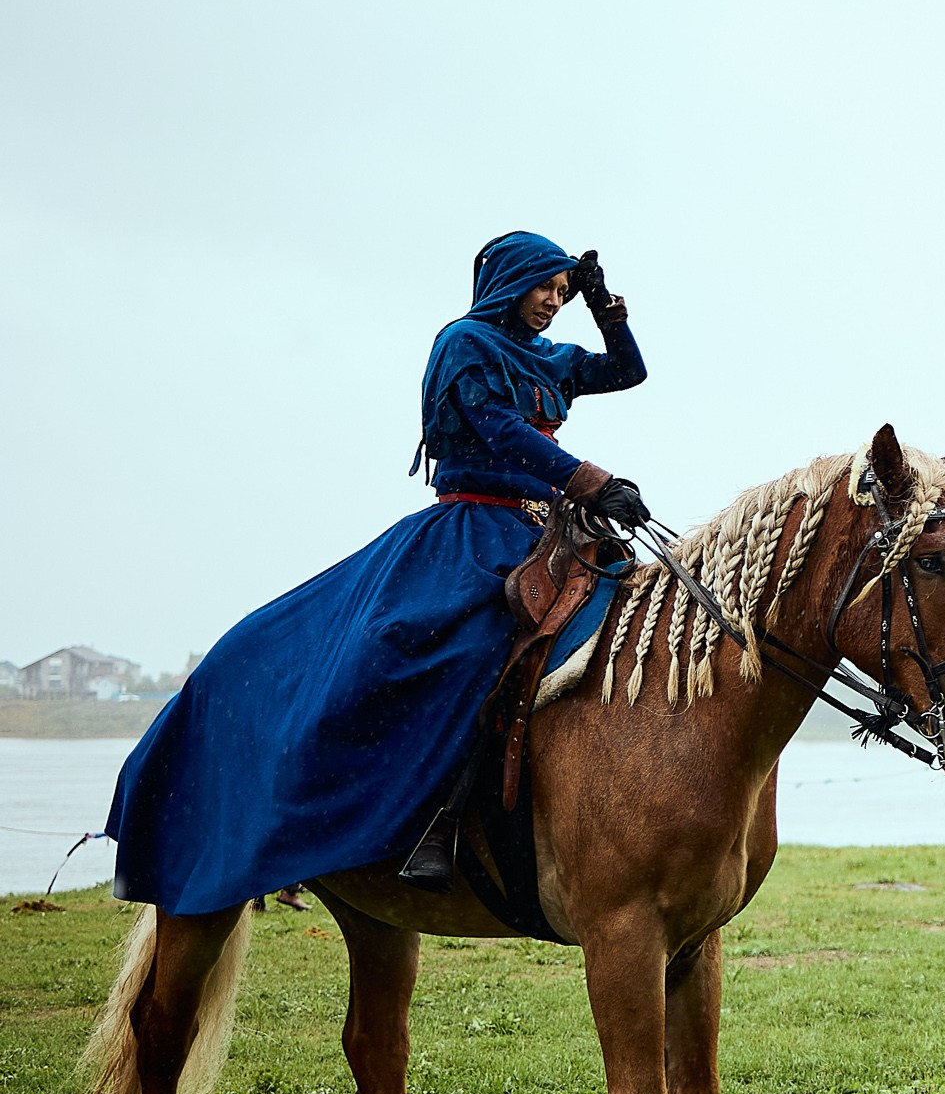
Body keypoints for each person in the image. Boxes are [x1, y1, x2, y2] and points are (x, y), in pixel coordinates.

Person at [106, 233, 654, 912]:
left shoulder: (549, 357)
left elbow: (628, 372)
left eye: (564, 293)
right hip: (470, 531)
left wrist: (606, 307)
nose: (554, 301)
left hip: (546, 531)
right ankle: (430, 821)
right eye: (548, 286)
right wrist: (591, 479)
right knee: (442, 642)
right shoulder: (463, 344)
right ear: (511, 280)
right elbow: (497, 428)